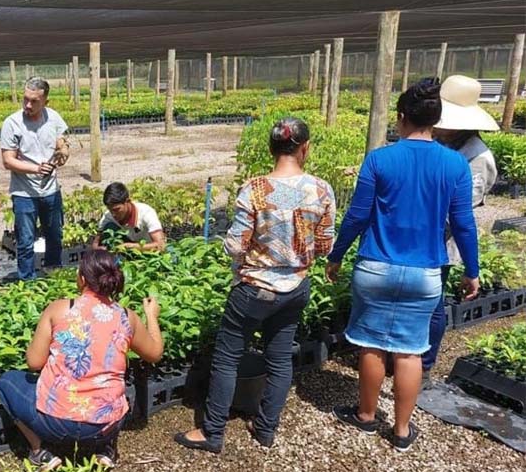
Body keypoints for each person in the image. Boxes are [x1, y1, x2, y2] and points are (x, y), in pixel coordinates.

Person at [326, 79, 480, 452]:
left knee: (371, 345)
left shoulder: (380, 158)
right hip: (426, 273)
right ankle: (401, 430)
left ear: (400, 118)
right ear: (437, 119)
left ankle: (365, 416)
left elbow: (357, 216)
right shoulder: (455, 164)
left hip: (376, 267)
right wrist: (471, 270)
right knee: (410, 350)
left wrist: (336, 255)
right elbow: (463, 223)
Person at [174, 118, 336, 452]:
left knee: (228, 357)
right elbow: (324, 246)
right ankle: (265, 429)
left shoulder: (256, 188)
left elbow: (235, 246)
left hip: (254, 288)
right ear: (304, 148)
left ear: (270, 149)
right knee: (279, 358)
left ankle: (213, 432)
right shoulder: (321, 190)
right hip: (296, 288)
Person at [0, 250, 164, 471]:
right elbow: (155, 353)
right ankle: (105, 449)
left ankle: (40, 452)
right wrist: (151, 315)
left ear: (82, 278)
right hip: (106, 426)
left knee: (6, 382)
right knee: (115, 389)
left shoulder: (60, 309)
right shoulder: (126, 316)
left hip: (55, 425)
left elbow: (34, 363)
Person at [422, 75, 499, 384]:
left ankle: (424, 365)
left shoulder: (477, 158)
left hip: (442, 239)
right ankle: (405, 359)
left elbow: (460, 214)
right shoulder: (440, 143)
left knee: (432, 302)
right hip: (420, 235)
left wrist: (472, 266)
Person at [1, 77, 71, 280]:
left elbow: (62, 142)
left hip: (51, 191)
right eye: (25, 100)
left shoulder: (54, 117)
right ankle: (27, 282)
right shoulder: (12, 123)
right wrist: (36, 168)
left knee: (55, 236)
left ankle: (54, 275)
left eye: (34, 101)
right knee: (24, 241)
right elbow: (7, 161)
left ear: (46, 102)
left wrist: (63, 151)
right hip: (24, 194)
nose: (28, 105)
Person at [90, 182, 165, 252]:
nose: (113, 214)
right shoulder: (107, 217)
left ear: (128, 201)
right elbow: (95, 244)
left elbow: (161, 246)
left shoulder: (146, 213)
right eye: (110, 210)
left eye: (117, 209)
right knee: (109, 227)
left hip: (149, 251)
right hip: (124, 250)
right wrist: (102, 250)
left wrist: (130, 247)